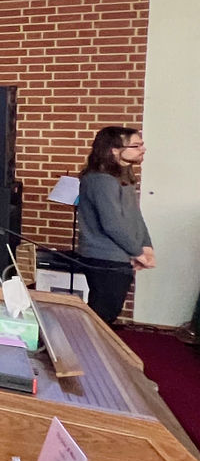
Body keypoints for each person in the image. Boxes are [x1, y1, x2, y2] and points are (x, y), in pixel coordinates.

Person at [77, 126, 155, 325]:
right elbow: (112, 224)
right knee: (101, 316)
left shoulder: (122, 178)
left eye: (142, 144)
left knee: (107, 314)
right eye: (136, 146)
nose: (143, 149)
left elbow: (134, 215)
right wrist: (137, 252)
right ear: (114, 150)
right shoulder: (100, 180)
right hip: (104, 257)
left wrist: (146, 246)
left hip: (120, 256)